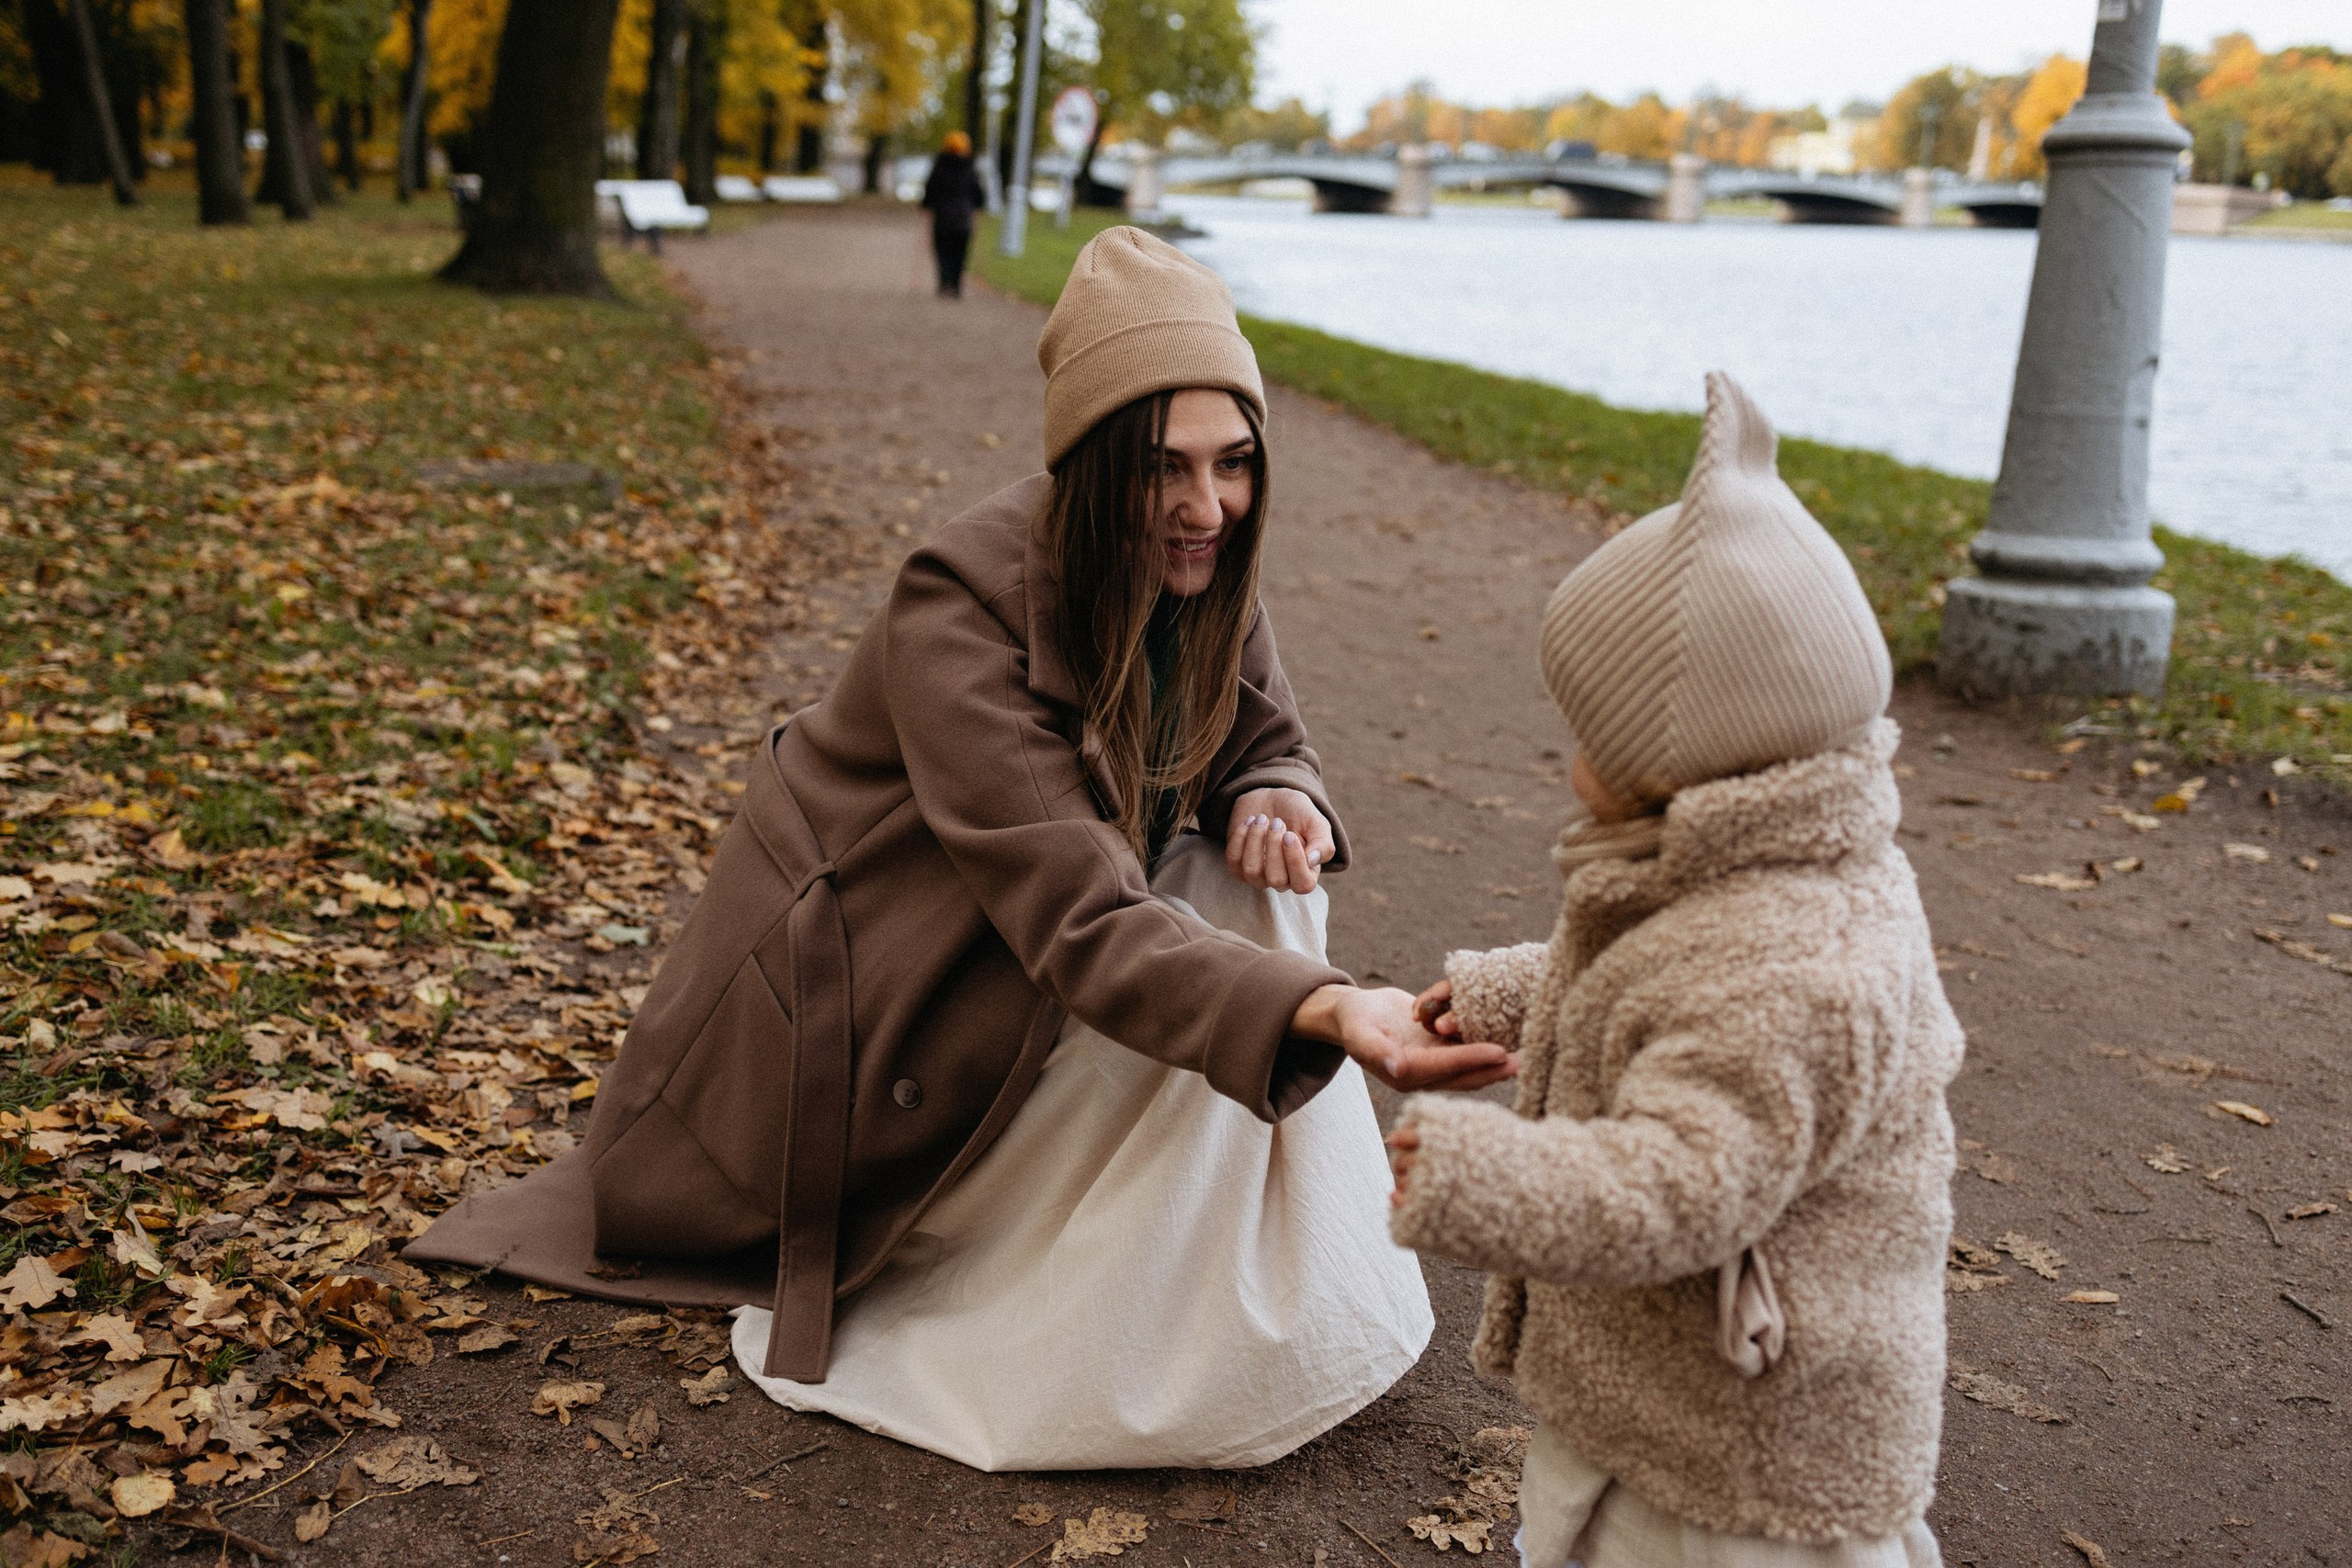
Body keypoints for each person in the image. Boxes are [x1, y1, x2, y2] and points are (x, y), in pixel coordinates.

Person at [409, 227, 1510, 1471]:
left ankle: (1213, 1287)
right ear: (1091, 464)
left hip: (1020, 948)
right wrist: (1336, 1009)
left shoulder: (1206, 573)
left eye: (1234, 463)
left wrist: (1276, 794)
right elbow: (1081, 915)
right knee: (1258, 950)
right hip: (874, 998)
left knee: (1263, 884)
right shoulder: (962, 602)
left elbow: (1269, 738)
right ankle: (1098, 1322)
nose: (1206, 508)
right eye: (1164, 469)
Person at [1387, 374, 1960, 1566]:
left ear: (1689, 764)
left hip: (1743, 1463)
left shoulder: (1806, 965)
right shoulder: (1763, 862)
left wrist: (1474, 1171)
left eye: (1590, 736)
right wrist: (1517, 993)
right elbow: (1670, 978)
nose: (1571, 759)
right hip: (1671, 1397)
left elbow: (1684, 1181)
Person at [922, 130, 986, 297]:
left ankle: (945, 281)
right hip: (963, 218)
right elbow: (977, 192)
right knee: (960, 253)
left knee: (942, 250)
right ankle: (956, 285)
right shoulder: (970, 167)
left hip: (942, 216)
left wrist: (926, 205)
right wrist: (978, 205)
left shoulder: (939, 166)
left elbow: (930, 189)